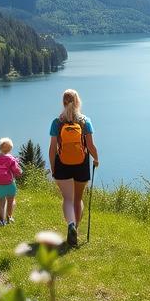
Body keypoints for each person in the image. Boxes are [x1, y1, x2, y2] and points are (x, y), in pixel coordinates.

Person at [48, 88, 99, 247]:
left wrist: (53, 167)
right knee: (77, 199)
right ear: (78, 102)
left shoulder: (57, 122)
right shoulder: (85, 121)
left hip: (62, 163)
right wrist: (96, 159)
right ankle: (75, 228)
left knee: (68, 199)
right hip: (81, 164)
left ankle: (70, 224)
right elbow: (90, 145)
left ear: (63, 103)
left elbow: (52, 148)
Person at [0, 137, 23, 226]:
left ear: (0, 147)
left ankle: (1, 221)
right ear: (10, 149)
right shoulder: (10, 159)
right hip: (9, 183)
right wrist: (20, 172)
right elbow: (16, 171)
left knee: (1, 203)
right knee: (10, 201)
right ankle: (9, 217)